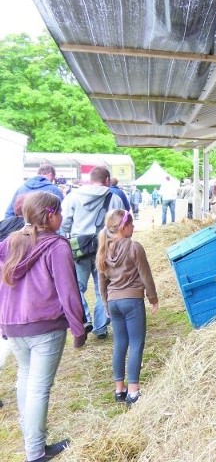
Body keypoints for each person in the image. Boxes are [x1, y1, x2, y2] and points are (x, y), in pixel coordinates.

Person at [0, 191, 86, 462]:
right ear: (50, 215)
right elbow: (68, 291)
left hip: (13, 324)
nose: (62, 217)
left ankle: (32, 443)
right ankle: (35, 452)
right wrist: (78, 327)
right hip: (45, 326)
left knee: (24, 381)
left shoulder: (10, 242)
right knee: (38, 388)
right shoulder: (57, 246)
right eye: (59, 212)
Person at [97, 209, 158, 408]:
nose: (134, 228)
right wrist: (153, 298)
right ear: (124, 227)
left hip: (114, 302)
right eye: (131, 225)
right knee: (136, 343)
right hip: (132, 301)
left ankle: (119, 389)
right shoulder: (134, 247)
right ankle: (133, 391)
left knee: (120, 344)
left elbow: (102, 281)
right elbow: (145, 275)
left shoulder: (104, 249)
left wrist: (106, 303)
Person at [61, 166, 125, 340]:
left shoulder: (73, 196)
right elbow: (121, 223)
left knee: (77, 288)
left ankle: (84, 320)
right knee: (103, 288)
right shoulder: (114, 197)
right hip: (105, 247)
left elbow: (64, 223)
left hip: (78, 247)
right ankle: (101, 327)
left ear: (90, 179)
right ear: (107, 180)